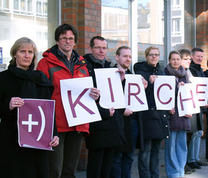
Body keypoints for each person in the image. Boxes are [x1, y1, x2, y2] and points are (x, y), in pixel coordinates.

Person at [37, 24, 100, 178]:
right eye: (64, 38)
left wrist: (94, 94)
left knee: (70, 170)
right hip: (56, 124)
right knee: (54, 170)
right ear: (57, 41)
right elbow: (40, 94)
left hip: (77, 122)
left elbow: (85, 90)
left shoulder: (82, 64)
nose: (68, 41)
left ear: (75, 42)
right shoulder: (45, 63)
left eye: (71, 38)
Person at [0, 37, 59, 178]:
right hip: (11, 140)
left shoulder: (41, 78)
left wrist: (54, 133)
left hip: (38, 140)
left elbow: (48, 110)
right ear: (15, 54)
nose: (27, 55)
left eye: (30, 52)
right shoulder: (3, 78)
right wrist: (8, 104)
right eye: (22, 51)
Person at [83, 37, 126, 178]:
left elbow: (118, 95)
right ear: (90, 48)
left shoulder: (111, 67)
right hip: (96, 121)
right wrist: (103, 112)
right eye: (97, 47)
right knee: (96, 165)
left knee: (108, 165)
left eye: (104, 48)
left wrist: (122, 81)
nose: (101, 51)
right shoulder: (84, 67)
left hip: (112, 122)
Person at [110, 46, 146, 178]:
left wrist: (144, 88)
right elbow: (109, 98)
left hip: (133, 122)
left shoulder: (134, 77)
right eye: (125, 56)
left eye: (130, 56)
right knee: (117, 157)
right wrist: (121, 110)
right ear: (117, 57)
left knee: (129, 156)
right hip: (117, 122)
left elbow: (139, 100)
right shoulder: (110, 74)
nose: (128, 59)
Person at [134, 46, 169, 178]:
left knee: (155, 150)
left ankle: (155, 175)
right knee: (145, 151)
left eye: (157, 55)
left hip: (160, 116)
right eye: (151, 55)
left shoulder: (161, 71)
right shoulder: (140, 70)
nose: (154, 57)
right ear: (146, 56)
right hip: (147, 116)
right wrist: (149, 81)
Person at [164, 50, 192, 178]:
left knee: (182, 145)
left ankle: (181, 170)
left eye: (177, 59)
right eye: (173, 59)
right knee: (171, 147)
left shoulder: (185, 75)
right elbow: (162, 95)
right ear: (169, 60)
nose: (175, 61)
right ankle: (173, 173)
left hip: (183, 115)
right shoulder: (164, 73)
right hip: (171, 115)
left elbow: (191, 94)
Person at [188, 47, 208, 166]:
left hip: (200, 105)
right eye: (198, 56)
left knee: (199, 132)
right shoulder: (190, 70)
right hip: (193, 105)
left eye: (201, 56)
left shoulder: (200, 70)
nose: (200, 58)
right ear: (192, 56)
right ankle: (191, 159)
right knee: (195, 133)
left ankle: (195, 158)